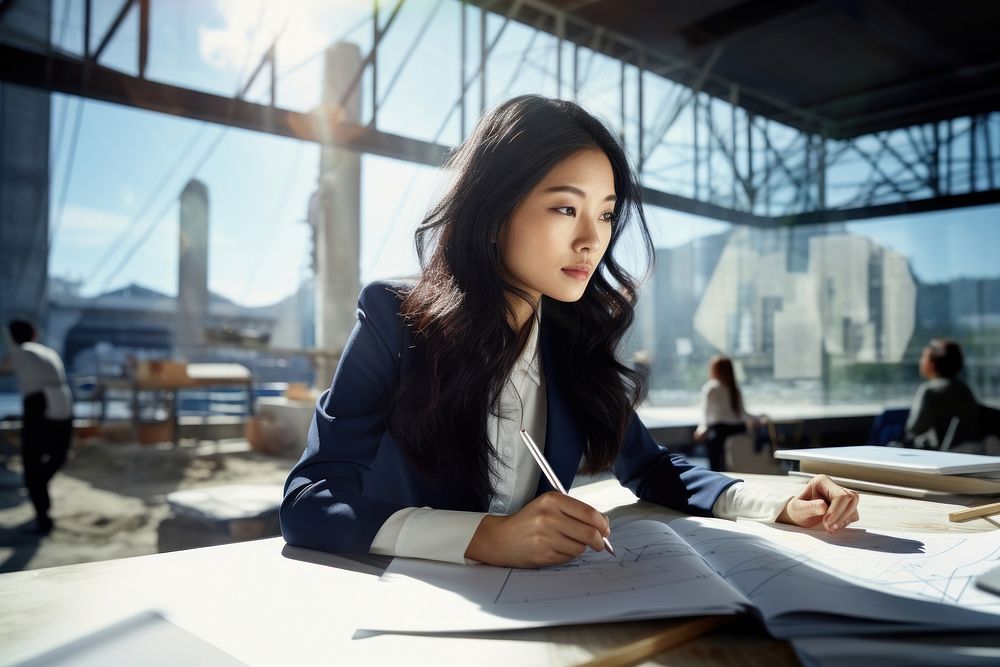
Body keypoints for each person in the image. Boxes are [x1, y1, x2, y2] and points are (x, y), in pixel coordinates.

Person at [280, 95, 859, 568]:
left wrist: (776, 502)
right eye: (565, 209)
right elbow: (310, 502)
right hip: (399, 614)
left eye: (606, 214)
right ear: (493, 211)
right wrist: (486, 536)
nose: (592, 239)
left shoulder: (573, 342)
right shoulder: (395, 320)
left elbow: (652, 468)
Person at [0, 320, 74, 535]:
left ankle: (43, 516)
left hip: (38, 404)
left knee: (32, 466)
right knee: (58, 455)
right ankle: (41, 500)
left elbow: (3, 368)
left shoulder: (19, 353)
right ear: (34, 333)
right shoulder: (47, 351)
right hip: (63, 401)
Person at [693, 356, 766, 472]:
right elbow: (742, 414)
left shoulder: (712, 388)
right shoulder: (734, 389)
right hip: (738, 428)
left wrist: (701, 429)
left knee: (712, 446)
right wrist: (758, 418)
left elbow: (705, 414)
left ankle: (715, 473)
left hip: (720, 430)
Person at [905, 339, 981, 449]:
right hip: (973, 450)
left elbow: (915, 429)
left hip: (944, 454)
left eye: (923, 357)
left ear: (931, 364)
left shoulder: (930, 391)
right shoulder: (964, 388)